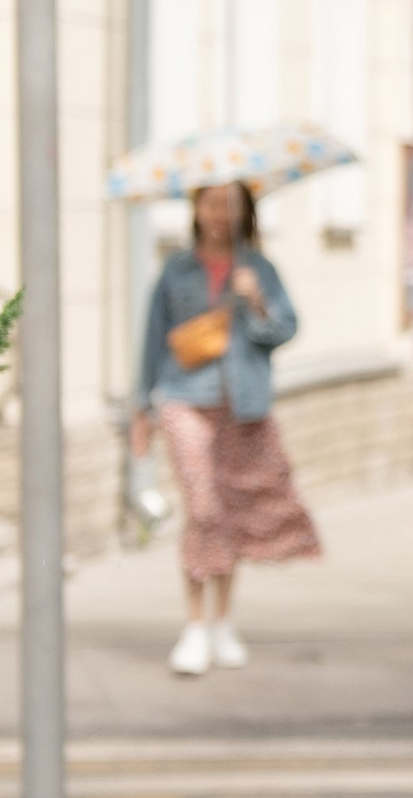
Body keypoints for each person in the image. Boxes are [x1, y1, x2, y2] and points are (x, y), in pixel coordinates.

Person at [131, 181, 319, 676]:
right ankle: (195, 626)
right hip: (183, 397)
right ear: (196, 209)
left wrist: (256, 302)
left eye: (229, 206)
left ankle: (223, 622)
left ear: (244, 212)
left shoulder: (259, 267)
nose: (220, 214)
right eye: (212, 204)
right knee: (204, 506)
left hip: (243, 403)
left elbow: (287, 329)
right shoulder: (175, 269)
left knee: (231, 511)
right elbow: (152, 338)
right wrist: (140, 408)